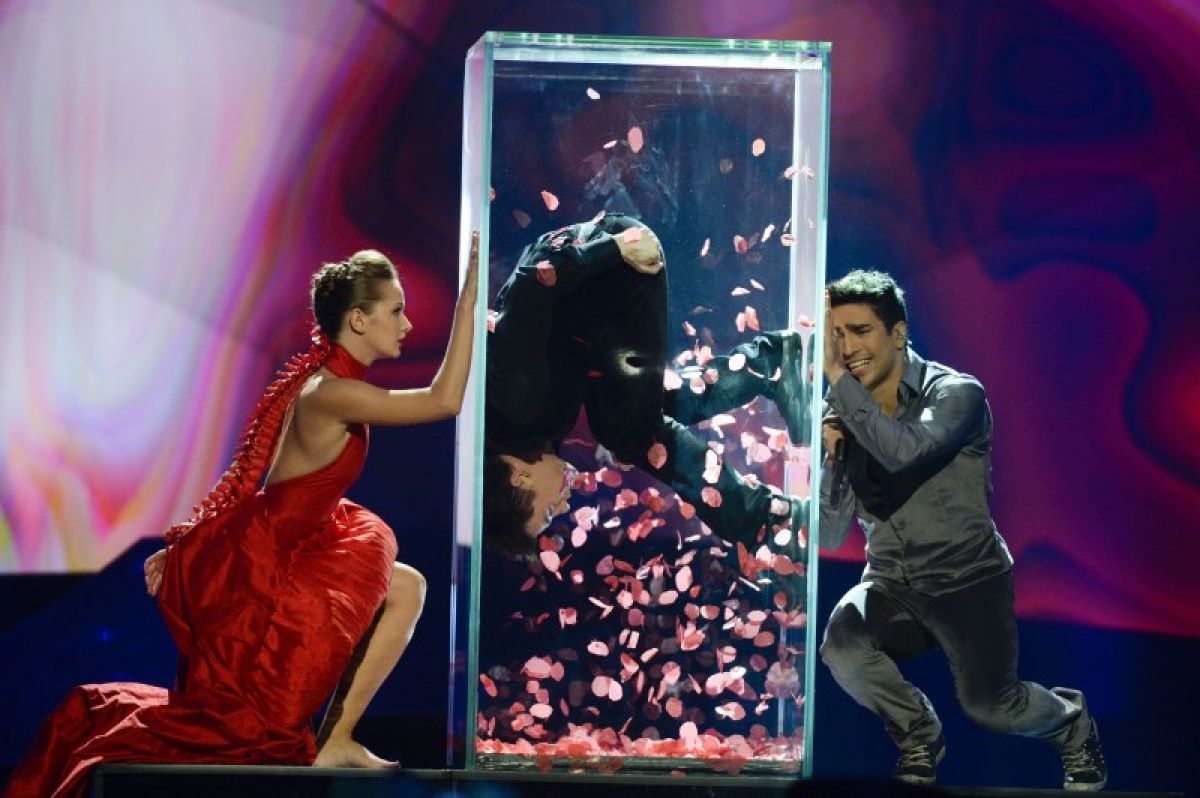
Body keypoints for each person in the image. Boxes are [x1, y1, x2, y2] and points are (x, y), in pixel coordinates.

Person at [5, 236, 479, 798]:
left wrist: (191, 541)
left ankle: (336, 739)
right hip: (273, 572)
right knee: (245, 730)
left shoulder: (326, 383)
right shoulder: (330, 393)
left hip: (296, 546)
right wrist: (469, 301)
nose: (407, 324)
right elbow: (444, 401)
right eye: (396, 311)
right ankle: (331, 739)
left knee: (407, 587)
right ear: (358, 319)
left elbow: (254, 476)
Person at [816, 270, 1107, 790]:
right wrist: (834, 456)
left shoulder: (956, 394)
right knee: (842, 644)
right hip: (892, 585)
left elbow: (904, 454)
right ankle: (919, 734)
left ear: (898, 333)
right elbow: (831, 534)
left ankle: (1070, 723)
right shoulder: (844, 409)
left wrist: (840, 386)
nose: (846, 349)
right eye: (836, 335)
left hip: (968, 582)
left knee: (992, 707)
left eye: (859, 331)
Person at [482, 213, 810, 566]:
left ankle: (766, 519)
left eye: (548, 512)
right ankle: (769, 365)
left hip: (612, 262)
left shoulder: (515, 405)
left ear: (519, 478)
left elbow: (530, 284)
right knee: (638, 423)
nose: (562, 508)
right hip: (596, 298)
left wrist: (613, 249)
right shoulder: (526, 433)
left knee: (629, 431)